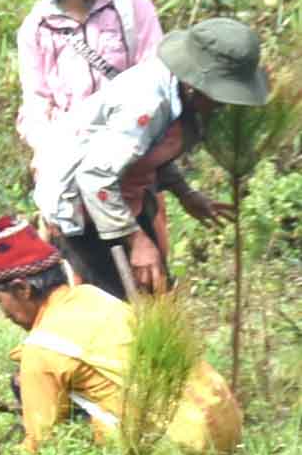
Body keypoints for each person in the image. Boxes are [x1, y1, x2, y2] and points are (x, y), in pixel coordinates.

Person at [33, 16, 267, 300]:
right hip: (82, 207)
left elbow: (147, 152)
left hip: (123, 196)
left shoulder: (181, 98)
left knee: (156, 294)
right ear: (197, 84)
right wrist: (136, 240)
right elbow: (94, 176)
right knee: (114, 310)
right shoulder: (146, 104)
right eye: (221, 96)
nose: (224, 104)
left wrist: (185, 193)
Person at [0, 217, 242, 454]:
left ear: (22, 289)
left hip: (180, 447)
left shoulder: (42, 348)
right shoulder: (92, 295)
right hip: (226, 426)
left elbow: (40, 447)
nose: (3, 313)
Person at [16, 0, 166, 155]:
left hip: (130, 141)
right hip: (65, 144)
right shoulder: (38, 26)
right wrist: (45, 151)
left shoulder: (134, 9)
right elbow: (37, 98)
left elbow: (155, 78)